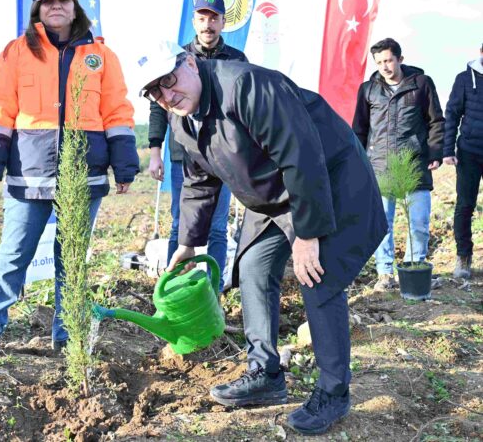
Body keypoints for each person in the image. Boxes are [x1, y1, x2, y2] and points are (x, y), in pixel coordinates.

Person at [134, 41, 387, 435]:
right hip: (273, 196)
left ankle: (334, 390)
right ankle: (265, 372)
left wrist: (308, 233)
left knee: (316, 275)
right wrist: (187, 243)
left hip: (328, 180)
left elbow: (301, 156)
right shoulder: (181, 120)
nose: (168, 95)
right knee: (252, 265)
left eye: (169, 80)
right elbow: (199, 183)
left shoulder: (247, 86)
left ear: (190, 62)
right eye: (155, 92)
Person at [0, 0, 139, 359]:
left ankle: (68, 335)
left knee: (72, 257)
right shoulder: (16, 52)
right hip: (28, 174)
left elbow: (116, 110)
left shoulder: (101, 55)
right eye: (49, 1)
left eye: (64, 0)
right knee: (15, 252)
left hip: (83, 173)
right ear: (38, 9)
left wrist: (125, 165)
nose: (57, 6)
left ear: (75, 7)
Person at [147, 0, 248, 292]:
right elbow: (157, 105)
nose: (208, 25)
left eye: (213, 19)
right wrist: (155, 152)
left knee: (217, 227)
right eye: (202, 18)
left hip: (225, 155)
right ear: (194, 21)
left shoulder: (237, 60)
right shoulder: (177, 58)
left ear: (223, 22)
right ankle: (173, 290)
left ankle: (212, 292)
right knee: (181, 225)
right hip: (185, 154)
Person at [352, 38, 445, 291]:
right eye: (379, 62)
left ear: (400, 59)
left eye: (389, 60)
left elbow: (436, 121)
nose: (385, 66)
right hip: (379, 167)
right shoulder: (368, 90)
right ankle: (384, 273)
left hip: (414, 165)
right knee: (382, 224)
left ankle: (414, 268)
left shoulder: (421, 84)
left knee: (419, 222)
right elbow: (359, 129)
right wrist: (357, 162)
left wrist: (435, 152)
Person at [442, 42, 483, 279]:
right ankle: (463, 257)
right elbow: (452, 114)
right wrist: (447, 149)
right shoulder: (464, 79)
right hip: (469, 151)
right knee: (465, 205)